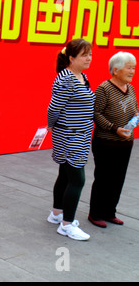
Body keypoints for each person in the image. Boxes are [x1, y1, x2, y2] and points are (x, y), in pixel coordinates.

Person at [46, 38, 94, 241]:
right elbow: (54, 107)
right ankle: (66, 225)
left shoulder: (82, 76)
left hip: (79, 134)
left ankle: (57, 214)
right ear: (71, 58)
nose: (89, 58)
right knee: (77, 179)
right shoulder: (66, 78)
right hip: (69, 134)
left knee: (65, 174)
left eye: (90, 54)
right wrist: (50, 124)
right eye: (84, 55)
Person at [88, 52, 138, 228]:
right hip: (106, 142)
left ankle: (110, 212)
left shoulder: (130, 88)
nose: (133, 71)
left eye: (134, 67)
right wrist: (115, 128)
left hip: (126, 143)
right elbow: (96, 113)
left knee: (118, 178)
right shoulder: (104, 88)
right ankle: (95, 213)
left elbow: (134, 108)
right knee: (103, 177)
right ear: (115, 70)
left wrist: (135, 118)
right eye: (129, 67)